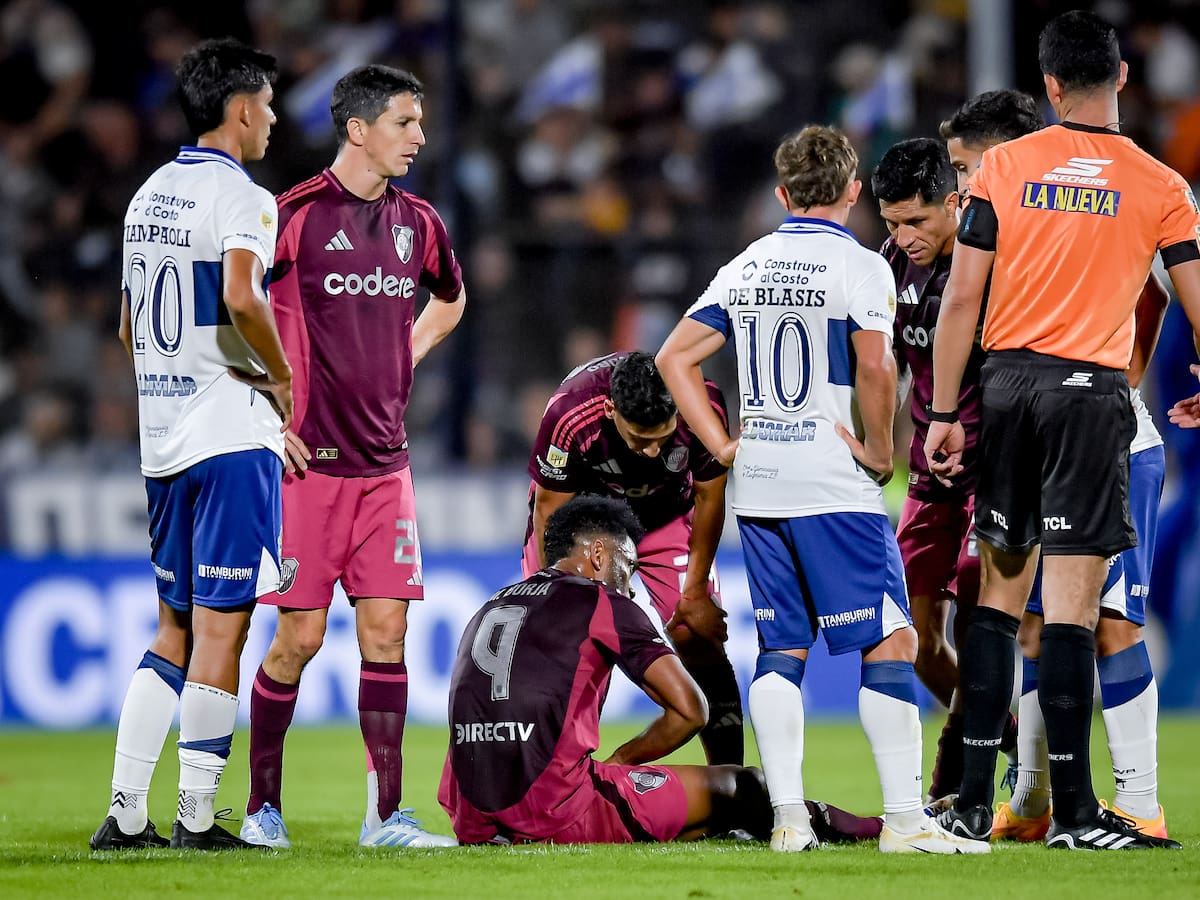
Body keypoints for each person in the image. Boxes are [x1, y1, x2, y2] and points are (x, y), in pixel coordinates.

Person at [656, 125, 983, 854]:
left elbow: (674, 357)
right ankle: (905, 821)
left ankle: (788, 821)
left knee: (782, 649)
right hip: (833, 483)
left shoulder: (747, 265)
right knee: (892, 641)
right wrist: (879, 448)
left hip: (762, 485)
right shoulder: (860, 267)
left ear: (781, 194)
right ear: (855, 193)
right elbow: (874, 367)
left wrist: (721, 444)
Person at [926, 10, 1197, 850]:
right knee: (1075, 614)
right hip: (1091, 398)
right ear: (1120, 78)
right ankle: (1079, 815)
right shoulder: (1161, 186)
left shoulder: (1002, 167)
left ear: (1046, 84)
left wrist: (941, 412)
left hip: (1006, 389)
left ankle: (973, 803)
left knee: (1001, 604)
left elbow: (962, 301)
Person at [240, 64, 465, 849]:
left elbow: (452, 296)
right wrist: (267, 410)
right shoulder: (292, 217)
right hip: (309, 469)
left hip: (386, 469)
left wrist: (408, 352)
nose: (420, 137)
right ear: (359, 129)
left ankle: (386, 817)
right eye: (407, 121)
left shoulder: (420, 223)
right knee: (298, 641)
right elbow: (229, 307)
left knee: (386, 637)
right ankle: (262, 808)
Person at [90, 37, 291, 852]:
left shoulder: (146, 197)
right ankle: (199, 819)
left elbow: (130, 325)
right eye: (269, 105)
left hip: (162, 440)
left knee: (171, 625)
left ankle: (125, 812)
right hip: (229, 436)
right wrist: (277, 378)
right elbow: (244, 295)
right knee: (223, 629)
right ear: (240, 110)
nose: (274, 118)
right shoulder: (246, 199)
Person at [440, 495, 883, 846]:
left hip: (472, 818)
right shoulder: (603, 602)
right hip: (555, 812)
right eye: (627, 566)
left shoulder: (493, 602)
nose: (630, 584)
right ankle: (875, 826)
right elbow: (692, 709)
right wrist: (623, 761)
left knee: (695, 818)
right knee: (743, 786)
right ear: (597, 554)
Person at [871, 136, 1016, 803]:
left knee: (984, 629)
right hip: (930, 479)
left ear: (953, 203)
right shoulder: (890, 264)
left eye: (916, 221)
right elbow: (890, 367)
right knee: (914, 633)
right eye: (891, 222)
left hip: (997, 470)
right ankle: (1012, 741)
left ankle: (960, 774)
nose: (903, 236)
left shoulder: (1001, 261)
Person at [523, 350, 743, 765]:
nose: (652, 452)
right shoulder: (571, 415)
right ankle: (561, 780)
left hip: (667, 515)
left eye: (663, 436)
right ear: (610, 409)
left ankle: (730, 783)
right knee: (564, 639)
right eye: (640, 439)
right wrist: (550, 592)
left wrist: (695, 591)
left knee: (698, 635)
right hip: (587, 519)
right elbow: (550, 511)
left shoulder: (702, 403)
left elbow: (711, 494)